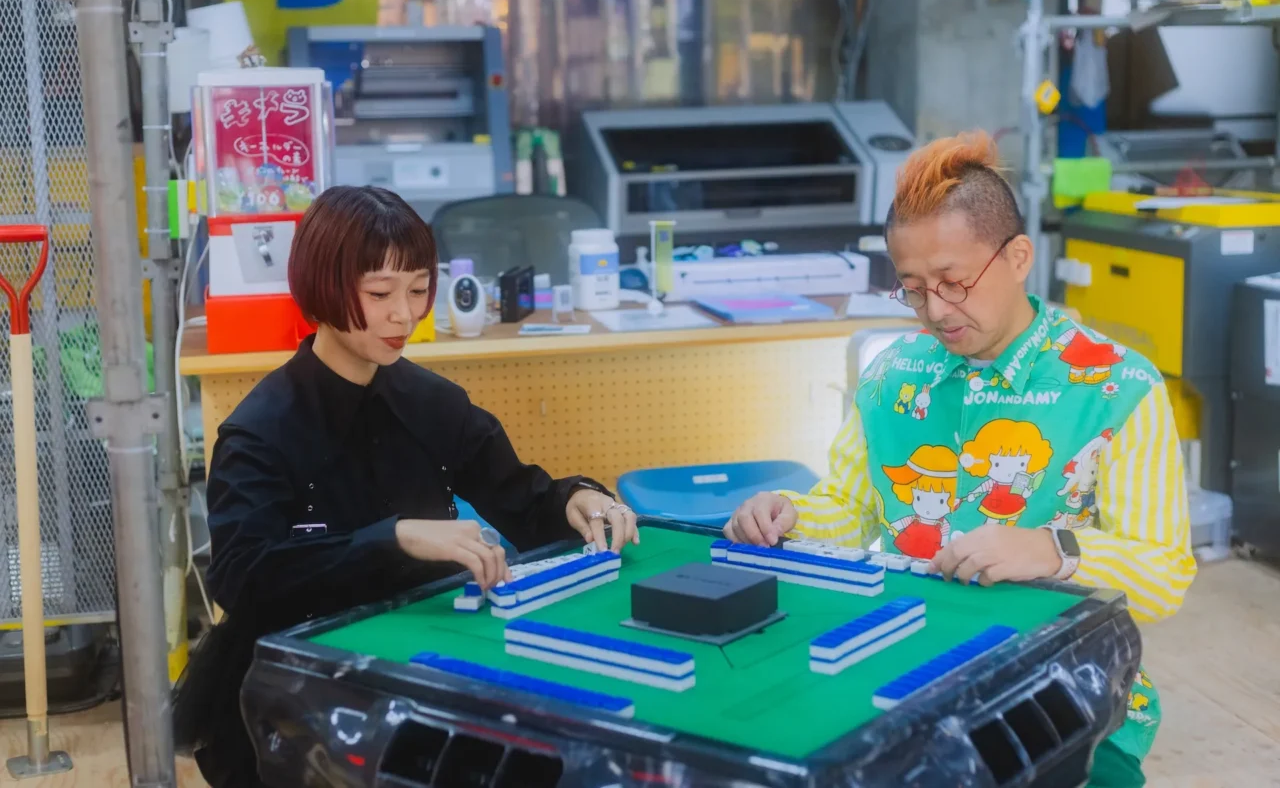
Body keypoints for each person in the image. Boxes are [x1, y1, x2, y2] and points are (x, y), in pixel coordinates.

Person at [724, 132, 1195, 786]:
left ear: (1018, 256)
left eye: (954, 283)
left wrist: (1053, 549)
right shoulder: (894, 376)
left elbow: (1165, 572)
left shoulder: (1117, 388)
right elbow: (851, 509)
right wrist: (789, 516)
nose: (937, 311)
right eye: (914, 289)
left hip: (1058, 689)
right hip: (902, 669)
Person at [174, 186, 639, 788]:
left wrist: (579, 497)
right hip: (294, 698)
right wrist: (394, 538)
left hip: (423, 668)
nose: (404, 314)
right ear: (321, 288)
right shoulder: (260, 433)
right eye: (379, 294)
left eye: (419, 290)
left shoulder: (434, 405)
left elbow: (525, 503)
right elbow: (244, 578)